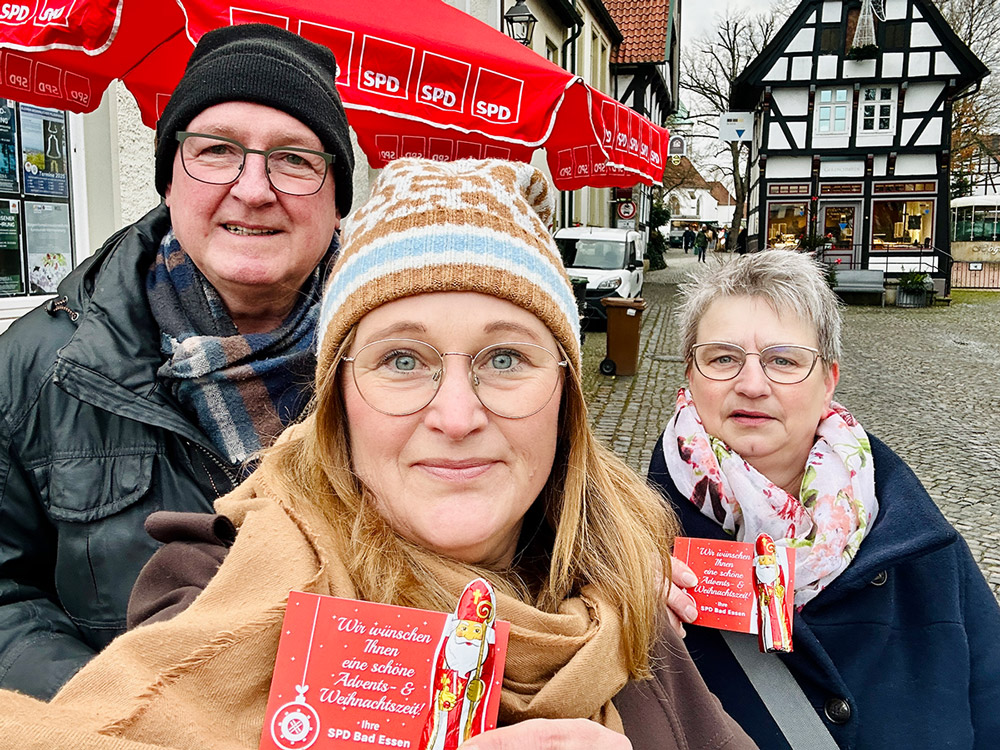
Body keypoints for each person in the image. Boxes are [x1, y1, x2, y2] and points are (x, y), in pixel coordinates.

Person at [0, 159, 756, 750]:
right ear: (338, 404)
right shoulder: (212, 595)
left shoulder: (628, 599)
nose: (456, 416)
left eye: (505, 359)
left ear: (566, 399)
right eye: (402, 361)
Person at [0, 24, 355, 699]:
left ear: (336, 201)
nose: (253, 189)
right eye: (217, 150)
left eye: (294, 159)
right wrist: (131, 709)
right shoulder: (37, 367)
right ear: (169, 182)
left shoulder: (407, 360)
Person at [647, 250, 1000, 749]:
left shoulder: (925, 553)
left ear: (828, 381)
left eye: (783, 361)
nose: (751, 385)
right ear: (690, 374)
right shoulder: (626, 554)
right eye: (723, 358)